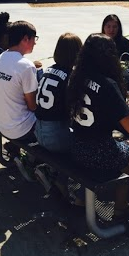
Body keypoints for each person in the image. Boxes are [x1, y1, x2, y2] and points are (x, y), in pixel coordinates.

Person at [67, 33, 129, 225]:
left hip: (76, 148)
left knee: (128, 149)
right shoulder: (107, 84)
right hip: (99, 154)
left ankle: (121, 207)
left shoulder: (77, 76)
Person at [34, 33, 83, 199]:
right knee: (88, 146)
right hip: (55, 135)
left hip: (38, 130)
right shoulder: (70, 76)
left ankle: (50, 170)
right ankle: (61, 180)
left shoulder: (50, 69)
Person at [0, 20, 38, 142]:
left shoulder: (1, 57)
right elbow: (32, 106)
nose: (35, 43)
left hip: (3, 125)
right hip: (21, 129)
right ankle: (34, 159)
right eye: (34, 38)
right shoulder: (26, 66)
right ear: (26, 39)